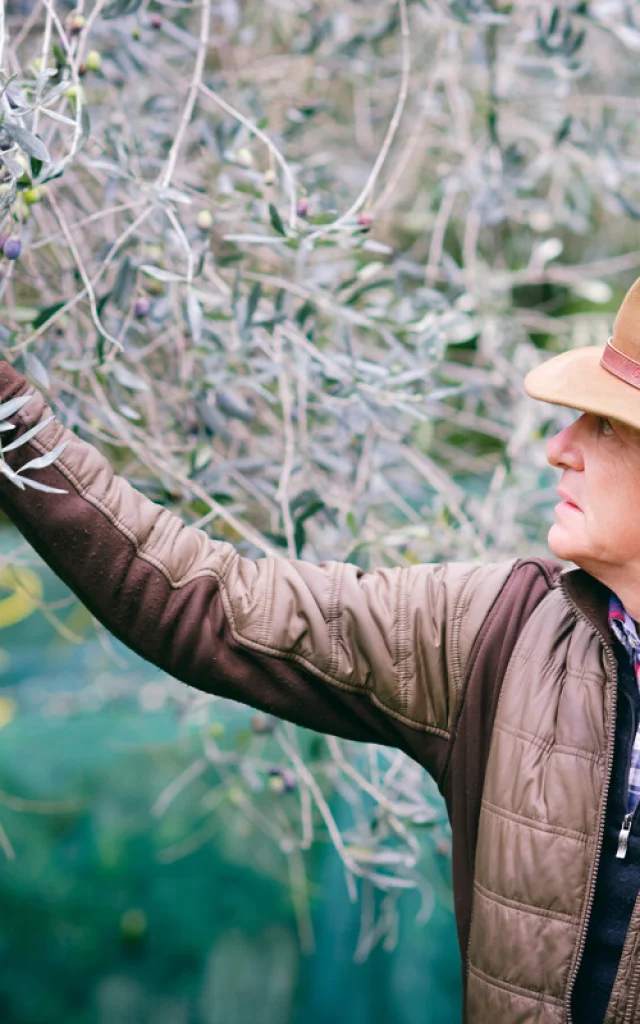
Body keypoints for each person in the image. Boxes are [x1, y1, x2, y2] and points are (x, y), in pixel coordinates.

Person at [1, 278, 640, 1024]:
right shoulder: (504, 632)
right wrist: (11, 419)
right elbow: (205, 602)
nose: (560, 448)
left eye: (605, 426)